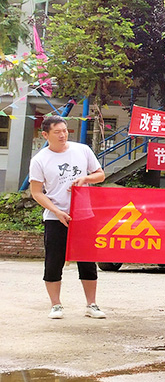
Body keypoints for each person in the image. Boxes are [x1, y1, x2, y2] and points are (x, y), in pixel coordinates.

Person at [29, 115, 106, 320]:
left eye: (64, 130)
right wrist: (56, 211)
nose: (63, 135)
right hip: (56, 217)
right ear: (45, 135)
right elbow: (36, 192)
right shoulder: (40, 160)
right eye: (57, 132)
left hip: (84, 215)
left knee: (87, 260)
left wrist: (86, 178)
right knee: (54, 262)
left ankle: (91, 304)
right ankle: (56, 305)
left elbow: (100, 175)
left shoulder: (82, 150)